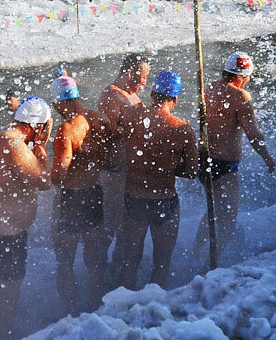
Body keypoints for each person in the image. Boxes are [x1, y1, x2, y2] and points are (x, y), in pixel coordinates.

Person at [118, 71, 198, 289]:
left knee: (130, 261)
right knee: (162, 263)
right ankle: (157, 312)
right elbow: (192, 171)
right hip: (164, 199)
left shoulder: (131, 116)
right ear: (175, 99)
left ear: (153, 94)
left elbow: (118, 142)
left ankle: (119, 311)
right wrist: (168, 167)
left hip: (134, 197)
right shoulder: (182, 128)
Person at [192, 53, 276, 259]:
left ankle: (194, 252)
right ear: (241, 76)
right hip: (225, 164)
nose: (248, 81)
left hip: (203, 161)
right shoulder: (240, 96)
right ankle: (210, 265)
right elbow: (253, 134)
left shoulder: (208, 88)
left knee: (213, 209)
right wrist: (267, 157)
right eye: (248, 77)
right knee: (228, 220)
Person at [0, 96, 52, 337]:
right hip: (6, 236)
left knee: (0, 287)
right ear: (37, 127)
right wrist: (42, 147)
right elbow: (44, 181)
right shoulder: (15, 144)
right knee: (8, 293)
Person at [49, 77, 112, 314]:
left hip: (71, 199)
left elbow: (61, 172)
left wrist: (42, 170)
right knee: (95, 259)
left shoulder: (66, 130)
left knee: (65, 262)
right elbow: (107, 154)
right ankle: (97, 307)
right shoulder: (96, 118)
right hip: (94, 193)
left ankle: (71, 312)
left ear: (58, 103)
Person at [97, 54, 150, 268]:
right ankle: (98, 270)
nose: (146, 82)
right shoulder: (112, 96)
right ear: (130, 73)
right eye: (144, 77)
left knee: (127, 224)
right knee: (111, 224)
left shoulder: (129, 95)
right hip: (114, 172)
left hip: (128, 171)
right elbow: (112, 132)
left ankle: (118, 266)